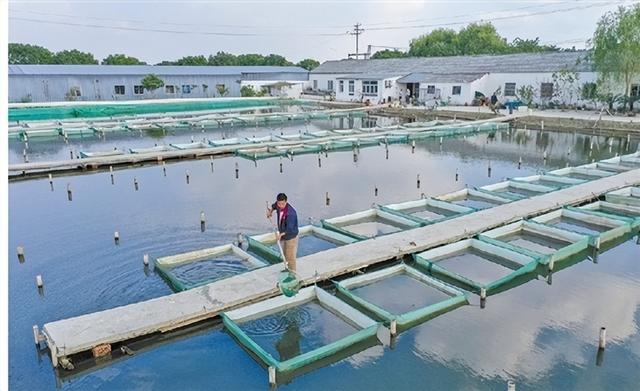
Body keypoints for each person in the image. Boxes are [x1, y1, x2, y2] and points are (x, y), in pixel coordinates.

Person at [267, 193, 299, 272]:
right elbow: (274, 206)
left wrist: (280, 235)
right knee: (284, 254)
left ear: (286, 202)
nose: (280, 206)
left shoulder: (291, 213)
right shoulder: (278, 205)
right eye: (279, 203)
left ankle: (292, 273)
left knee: (290, 257)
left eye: (282, 204)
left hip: (290, 236)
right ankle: (286, 269)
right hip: (283, 235)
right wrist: (270, 211)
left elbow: (289, 229)